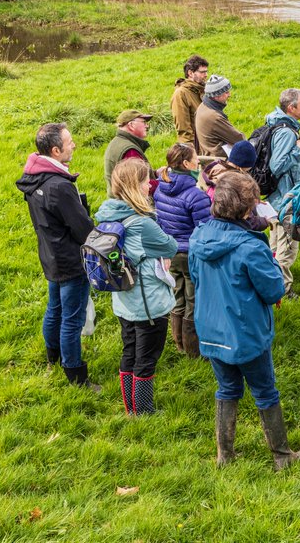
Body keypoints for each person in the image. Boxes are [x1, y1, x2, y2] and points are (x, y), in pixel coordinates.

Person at [189, 172, 300, 471]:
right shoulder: (250, 247)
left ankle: (224, 456)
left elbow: (195, 277)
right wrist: (273, 262)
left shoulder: (198, 236)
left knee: (227, 389)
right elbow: (274, 290)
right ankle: (282, 455)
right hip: (246, 332)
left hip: (211, 328)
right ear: (246, 209)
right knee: (265, 390)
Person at [16, 122, 98, 390]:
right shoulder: (59, 186)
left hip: (50, 255)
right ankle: (75, 374)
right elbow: (82, 228)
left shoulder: (35, 177)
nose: (73, 144)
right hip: (71, 260)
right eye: (69, 141)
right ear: (55, 150)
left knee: (55, 309)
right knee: (72, 319)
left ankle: (53, 357)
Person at [95, 158, 179, 415]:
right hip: (148, 303)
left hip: (123, 300)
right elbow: (170, 246)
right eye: (144, 181)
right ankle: (143, 410)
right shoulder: (141, 224)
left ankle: (131, 407)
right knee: (147, 358)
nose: (149, 186)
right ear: (134, 186)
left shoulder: (107, 215)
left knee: (129, 352)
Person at [154, 143, 212, 358]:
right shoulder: (195, 195)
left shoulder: (160, 187)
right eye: (196, 158)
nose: (199, 161)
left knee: (176, 296)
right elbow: (205, 230)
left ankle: (178, 343)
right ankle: (193, 350)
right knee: (193, 299)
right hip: (190, 254)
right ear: (186, 164)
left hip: (169, 252)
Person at [265, 88, 300, 299]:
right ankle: (283, 290)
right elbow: (277, 165)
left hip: (275, 196)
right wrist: (299, 149)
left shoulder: (276, 124)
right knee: (287, 247)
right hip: (285, 198)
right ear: (291, 108)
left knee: (275, 244)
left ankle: (273, 284)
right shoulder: (286, 132)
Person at [104, 110, 153, 198]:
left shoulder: (117, 142)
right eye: (144, 122)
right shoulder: (130, 151)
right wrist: (164, 180)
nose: (147, 125)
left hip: (119, 203)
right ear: (131, 125)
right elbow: (139, 185)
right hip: (131, 206)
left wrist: (155, 174)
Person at [195, 75, 246, 159]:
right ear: (216, 96)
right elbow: (239, 139)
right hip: (218, 161)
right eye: (226, 92)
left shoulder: (203, 106)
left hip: (208, 155)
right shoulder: (214, 117)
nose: (229, 95)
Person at [171, 55, 209, 153]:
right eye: (202, 72)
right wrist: (192, 154)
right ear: (190, 73)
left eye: (206, 71)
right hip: (196, 150)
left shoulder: (202, 90)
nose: (206, 75)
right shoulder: (181, 94)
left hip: (207, 146)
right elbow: (183, 129)